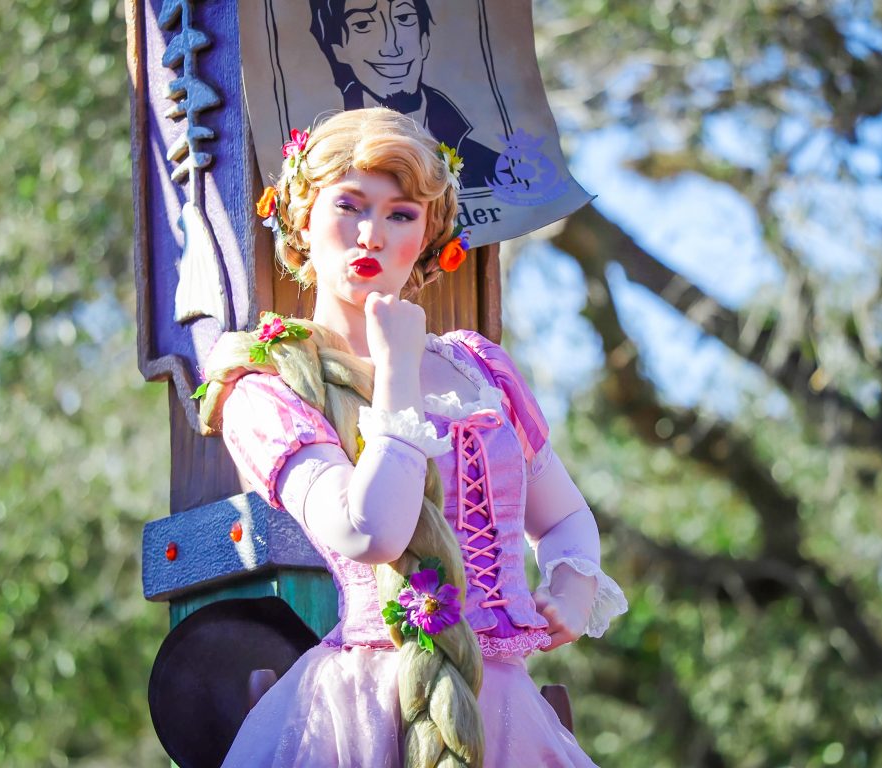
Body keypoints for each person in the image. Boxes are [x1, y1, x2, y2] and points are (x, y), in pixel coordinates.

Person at [198, 108, 627, 767]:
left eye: (401, 213)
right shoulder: (266, 386)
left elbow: (564, 515)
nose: (371, 234)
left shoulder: (479, 367)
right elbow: (372, 533)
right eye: (350, 204)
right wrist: (395, 372)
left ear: (427, 234)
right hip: (361, 719)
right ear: (301, 215)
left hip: (505, 711)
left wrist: (571, 578)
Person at [309, 0, 502, 190]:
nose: (391, 47)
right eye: (363, 24)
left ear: (425, 40)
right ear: (339, 50)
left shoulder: (491, 168)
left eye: (403, 18)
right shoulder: (321, 171)